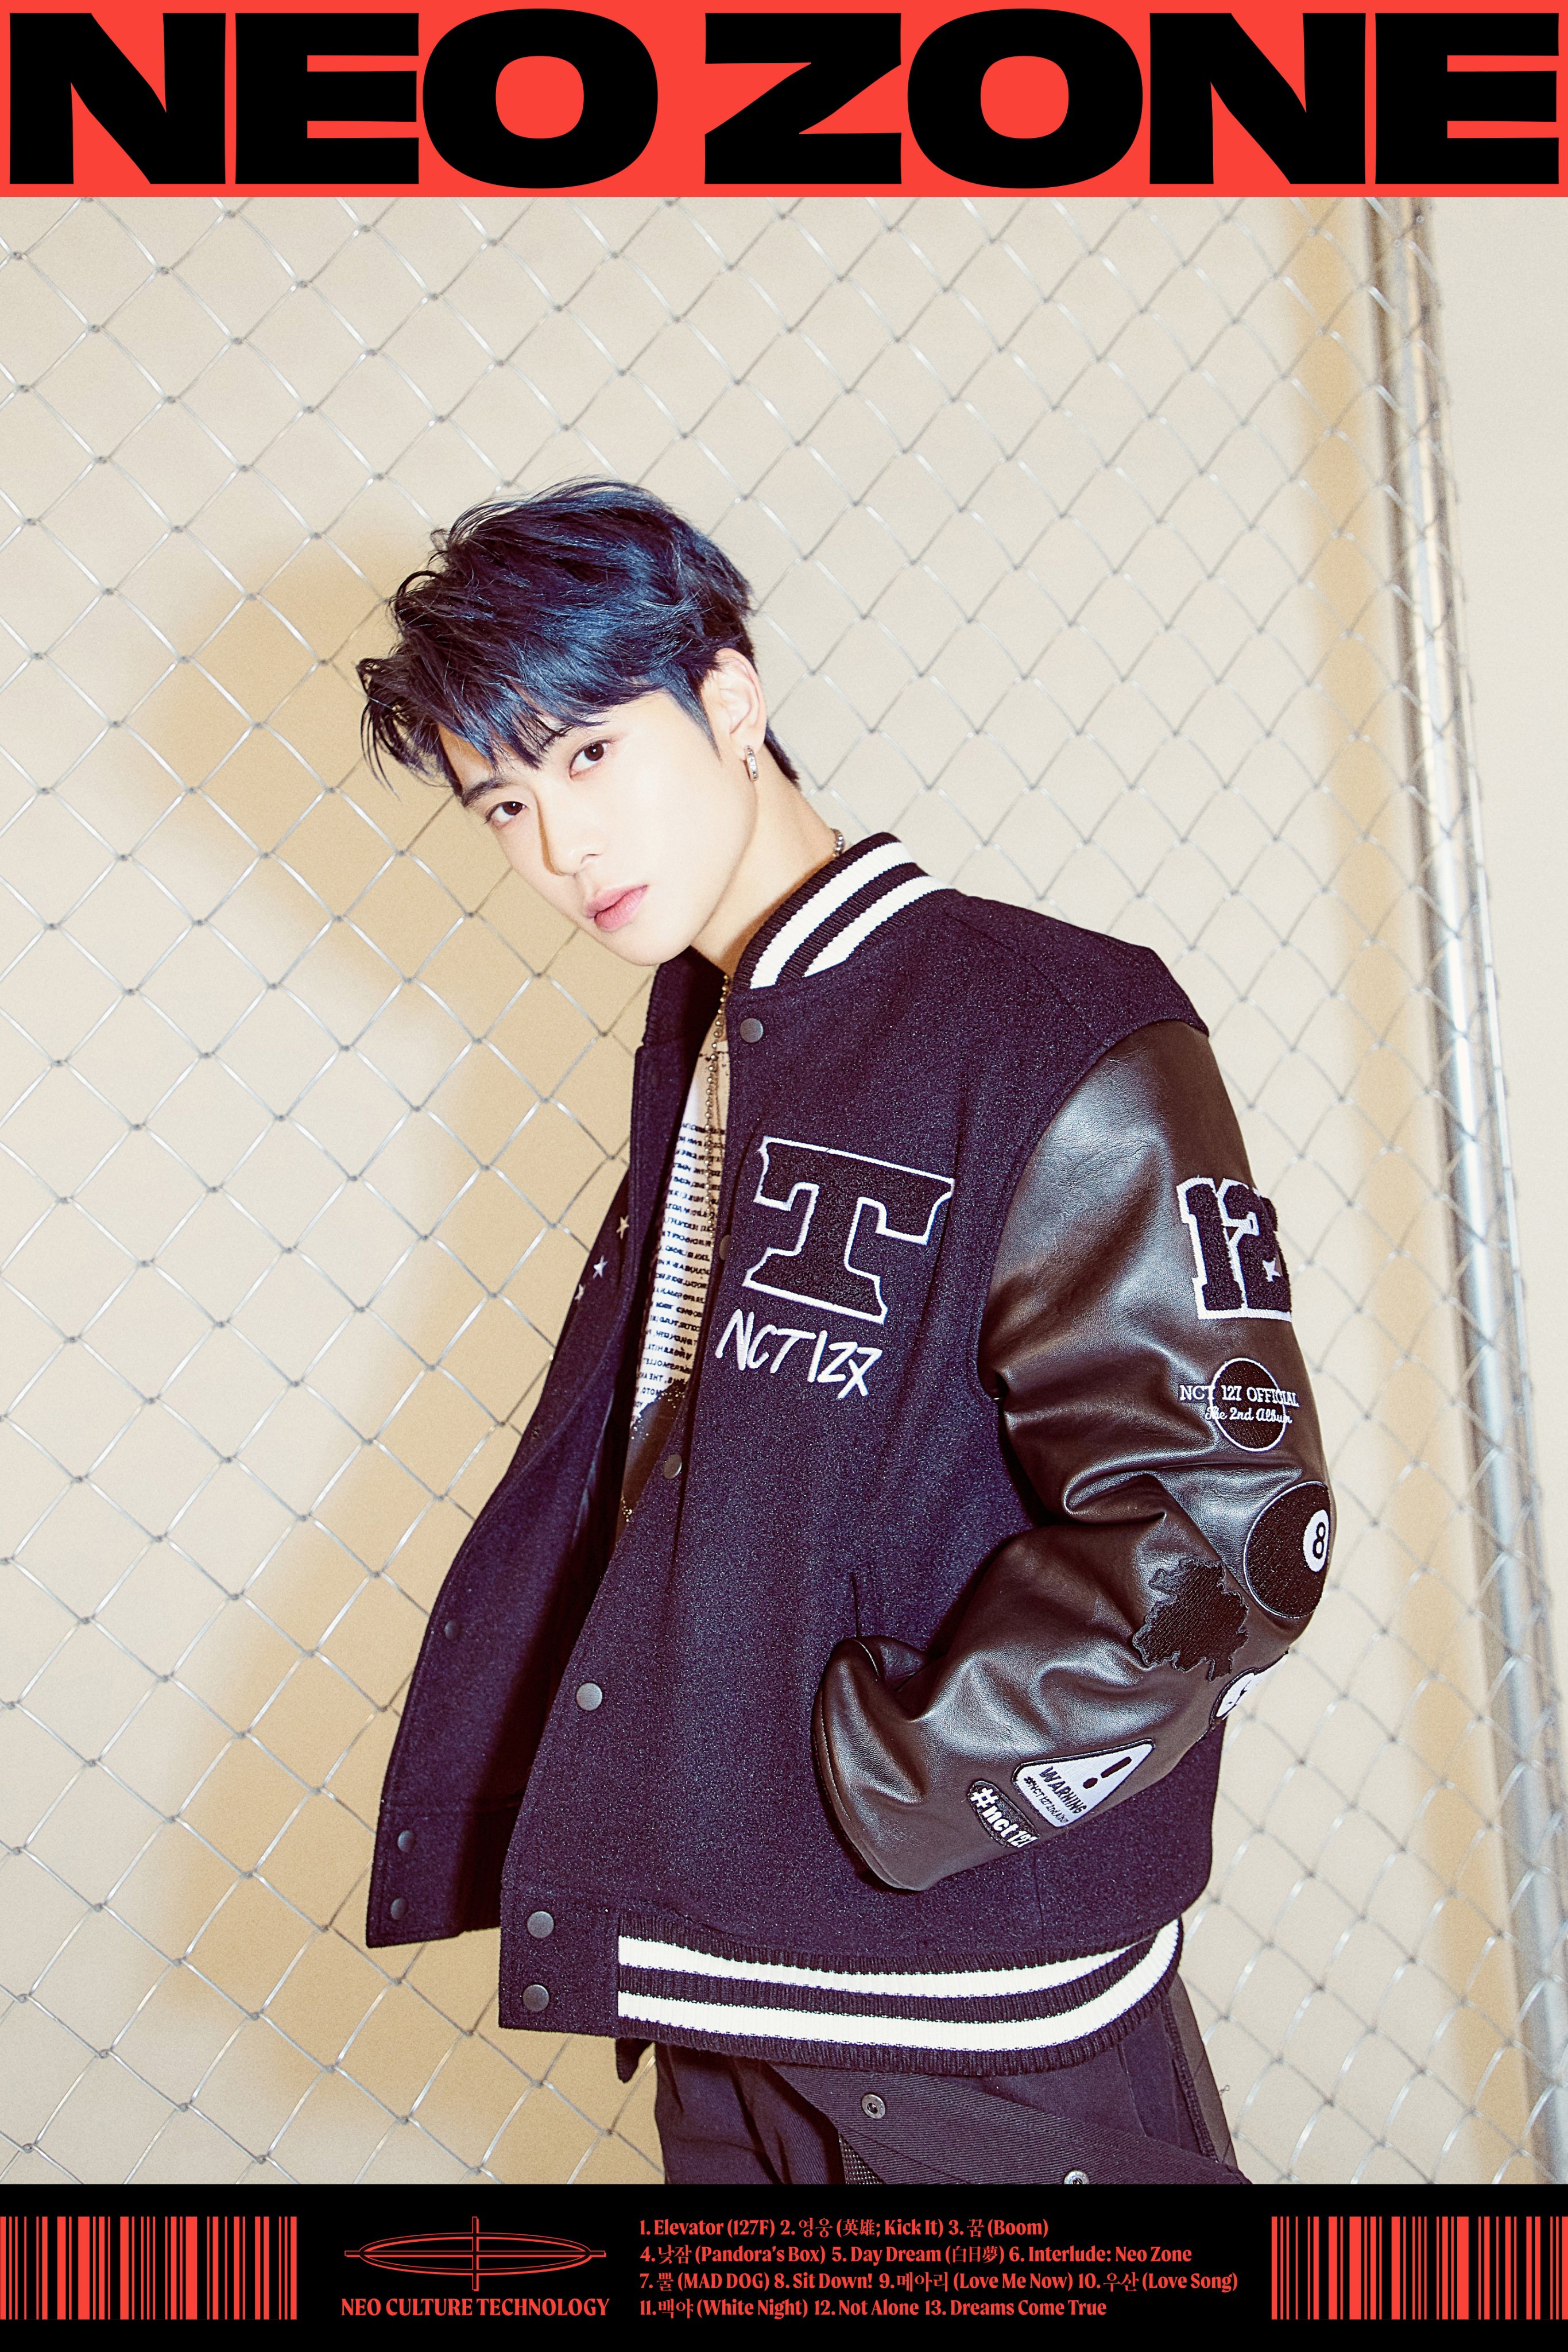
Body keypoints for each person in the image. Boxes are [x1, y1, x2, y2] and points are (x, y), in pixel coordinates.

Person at [356, 479, 1333, 2187]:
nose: (560, 845)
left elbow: (1230, 1533)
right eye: (504, 802)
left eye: (590, 753)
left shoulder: (1038, 1015)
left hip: (965, 2024)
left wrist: (897, 1785)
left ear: (730, 698)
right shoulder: (720, 1034)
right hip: (729, 1989)